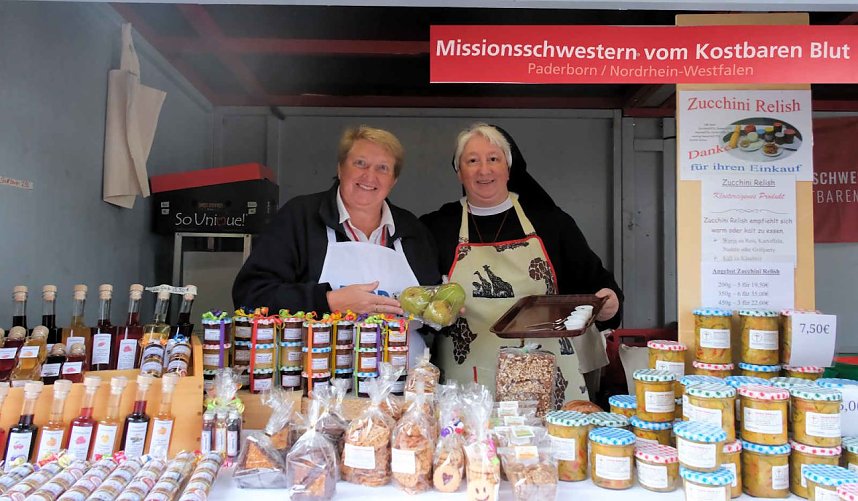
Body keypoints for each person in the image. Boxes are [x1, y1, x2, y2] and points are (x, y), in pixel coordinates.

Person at [420, 123, 623, 406]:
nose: (484, 170)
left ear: (509, 167)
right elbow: (419, 303)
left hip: (547, 374)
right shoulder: (436, 227)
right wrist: (434, 314)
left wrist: (609, 303)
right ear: (459, 171)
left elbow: (595, 282)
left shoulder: (551, 222)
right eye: (472, 161)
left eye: (494, 159)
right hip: (468, 380)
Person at [233, 125, 441, 357]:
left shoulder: (413, 229)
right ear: (340, 168)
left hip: (404, 382)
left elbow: (432, 310)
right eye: (360, 163)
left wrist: (445, 312)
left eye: (382, 168)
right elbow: (250, 296)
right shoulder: (300, 217)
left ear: (393, 180)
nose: (369, 176)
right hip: (318, 382)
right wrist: (327, 302)